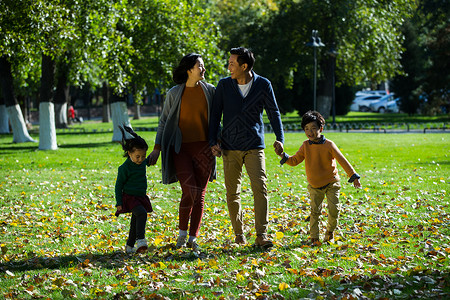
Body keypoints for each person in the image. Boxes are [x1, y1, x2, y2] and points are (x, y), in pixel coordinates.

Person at [209, 47, 284, 249]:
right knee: (233, 193)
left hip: (254, 146)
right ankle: (239, 234)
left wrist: (280, 138)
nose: (228, 67)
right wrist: (212, 141)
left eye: (232, 63)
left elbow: (273, 112)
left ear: (244, 66)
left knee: (260, 188)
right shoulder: (224, 85)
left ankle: (261, 235)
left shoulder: (263, 84)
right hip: (229, 147)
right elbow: (215, 115)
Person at [147, 53, 216, 252]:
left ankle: (193, 238)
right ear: (189, 69)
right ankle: (182, 234)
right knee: (189, 191)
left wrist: (217, 141)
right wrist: (157, 148)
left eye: (203, 66)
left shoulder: (210, 91)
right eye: (199, 66)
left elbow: (217, 120)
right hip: (181, 148)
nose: (203, 69)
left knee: (200, 195)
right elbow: (163, 122)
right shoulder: (174, 93)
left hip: (204, 149)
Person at [274, 111, 361, 246]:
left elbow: (342, 161)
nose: (310, 132)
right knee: (315, 212)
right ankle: (314, 237)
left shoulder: (329, 145)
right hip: (314, 186)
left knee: (334, 210)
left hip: (332, 183)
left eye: (313, 128)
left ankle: (329, 232)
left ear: (321, 128)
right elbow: (294, 160)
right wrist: (282, 155)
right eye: (307, 129)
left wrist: (353, 176)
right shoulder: (305, 146)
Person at [115, 125, 153, 254]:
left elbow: (147, 161)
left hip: (140, 196)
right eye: (137, 156)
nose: (140, 159)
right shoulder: (124, 168)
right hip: (130, 197)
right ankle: (141, 240)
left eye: (143, 156)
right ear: (129, 153)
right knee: (141, 213)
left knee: (135, 221)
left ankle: (129, 246)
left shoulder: (142, 162)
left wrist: (150, 159)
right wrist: (119, 203)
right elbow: (118, 186)